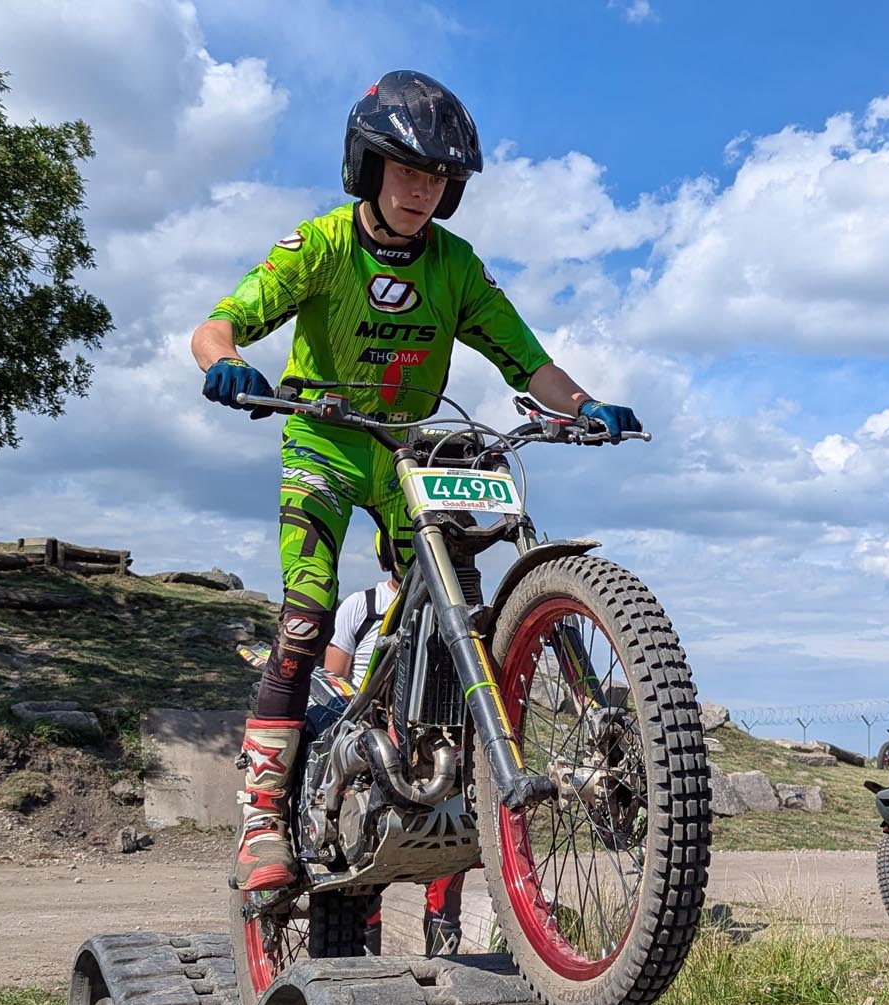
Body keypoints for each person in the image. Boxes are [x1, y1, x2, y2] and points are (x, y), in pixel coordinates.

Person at [192, 70, 640, 895]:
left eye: (437, 176)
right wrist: (226, 363)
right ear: (367, 166)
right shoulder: (321, 244)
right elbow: (219, 324)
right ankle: (261, 816)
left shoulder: (456, 266)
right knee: (305, 616)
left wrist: (585, 407)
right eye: (405, 169)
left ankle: (421, 756)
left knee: (456, 608)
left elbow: (528, 361)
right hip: (326, 442)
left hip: (410, 452)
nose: (421, 189)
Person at [307, 530, 466, 956]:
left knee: (449, 855)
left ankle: (444, 959)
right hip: (370, 731)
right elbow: (334, 680)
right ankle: (366, 952)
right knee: (364, 860)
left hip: (434, 731)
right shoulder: (363, 606)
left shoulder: (452, 608)